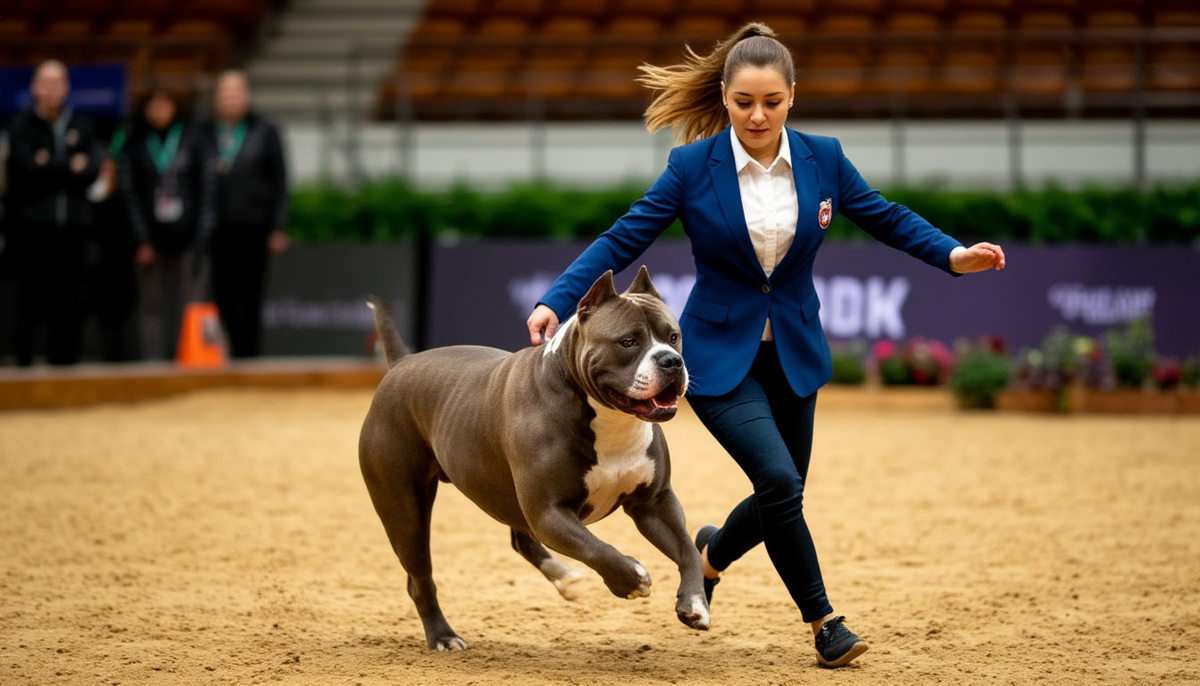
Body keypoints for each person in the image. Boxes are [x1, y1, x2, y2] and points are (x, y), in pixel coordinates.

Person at [526, 24, 1006, 668]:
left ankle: (710, 557)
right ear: (725, 97)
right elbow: (623, 237)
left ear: (792, 97)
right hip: (719, 356)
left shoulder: (823, 158)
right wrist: (557, 299)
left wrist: (952, 254)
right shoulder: (692, 167)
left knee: (783, 493)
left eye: (772, 102)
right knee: (779, 481)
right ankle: (825, 623)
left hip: (795, 353)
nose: (758, 115)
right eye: (744, 102)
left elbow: (885, 215)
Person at [4, 60, 103, 366]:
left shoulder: (82, 124)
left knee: (70, 298)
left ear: (66, 87)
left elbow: (92, 171)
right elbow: (25, 173)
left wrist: (48, 163)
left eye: (57, 82)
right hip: (32, 228)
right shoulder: (19, 126)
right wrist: (69, 165)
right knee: (29, 296)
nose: (51, 89)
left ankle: (66, 362)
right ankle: (23, 361)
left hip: (74, 227)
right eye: (45, 82)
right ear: (34, 87)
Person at [120, 88, 214, 360]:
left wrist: (201, 237)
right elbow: (129, 194)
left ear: (176, 108)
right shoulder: (135, 143)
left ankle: (189, 361)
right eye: (154, 105)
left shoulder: (193, 141)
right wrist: (141, 239)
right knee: (152, 306)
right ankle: (154, 365)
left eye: (165, 105)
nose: (159, 111)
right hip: (151, 240)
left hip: (187, 237)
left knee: (190, 305)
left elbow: (206, 190)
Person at [203, 70, 288, 358]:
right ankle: (228, 355)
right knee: (222, 295)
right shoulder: (205, 132)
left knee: (250, 296)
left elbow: (280, 181)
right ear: (216, 98)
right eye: (225, 93)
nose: (231, 98)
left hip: (254, 228)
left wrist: (278, 226)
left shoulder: (265, 130)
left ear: (247, 96)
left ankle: (249, 357)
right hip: (217, 228)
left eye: (236, 92)